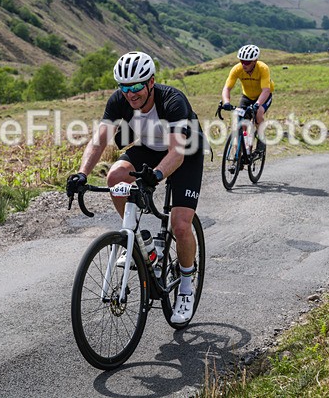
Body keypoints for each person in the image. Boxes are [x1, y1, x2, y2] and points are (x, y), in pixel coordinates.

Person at [65, 51, 205, 325]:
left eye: (137, 86)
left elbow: (177, 152)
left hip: (185, 152)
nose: (131, 93)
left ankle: (186, 285)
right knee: (115, 177)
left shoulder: (173, 101)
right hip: (150, 149)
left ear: (151, 82)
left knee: (179, 224)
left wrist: (156, 175)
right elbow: (99, 141)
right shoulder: (120, 101)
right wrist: (82, 174)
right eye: (124, 87)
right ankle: (142, 242)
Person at [221, 44, 274, 153]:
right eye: (242, 61)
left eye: (247, 62)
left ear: (255, 61)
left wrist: (257, 104)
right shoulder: (237, 69)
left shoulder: (263, 68)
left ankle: (261, 140)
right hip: (247, 96)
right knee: (239, 123)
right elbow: (227, 88)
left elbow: (266, 90)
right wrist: (226, 102)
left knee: (258, 113)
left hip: (263, 96)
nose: (244, 64)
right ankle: (238, 155)